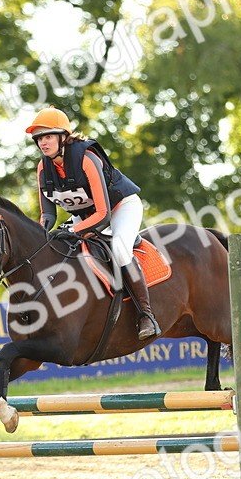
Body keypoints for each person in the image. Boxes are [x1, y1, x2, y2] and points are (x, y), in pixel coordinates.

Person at [25, 107, 160, 341]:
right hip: (86, 214)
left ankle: (146, 315)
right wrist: (41, 240)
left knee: (118, 247)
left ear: (63, 137)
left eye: (48, 136)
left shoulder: (86, 158)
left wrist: (73, 230)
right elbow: (47, 216)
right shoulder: (42, 168)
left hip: (120, 208)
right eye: (39, 139)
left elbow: (103, 214)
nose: (42, 143)